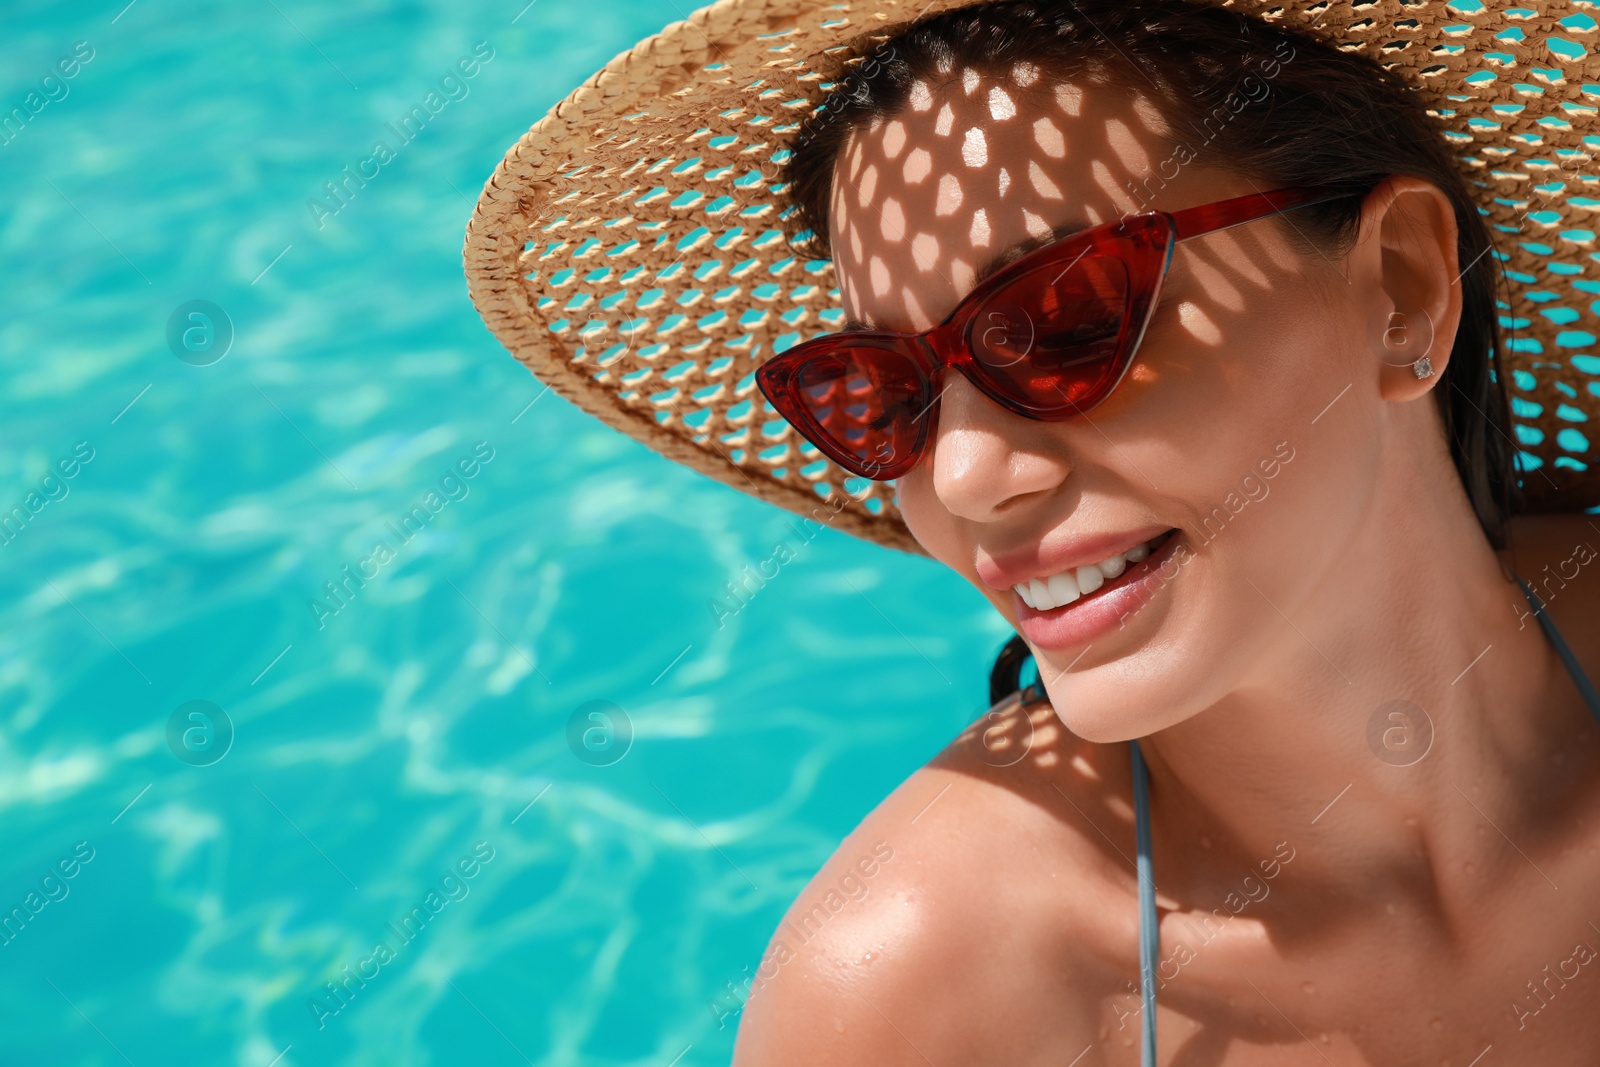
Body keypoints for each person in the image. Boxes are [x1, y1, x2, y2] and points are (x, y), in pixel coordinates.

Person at [464, 0, 1600, 1061]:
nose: (962, 475)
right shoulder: (909, 996)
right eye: (879, 386)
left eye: (1059, 317)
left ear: (1402, 285)